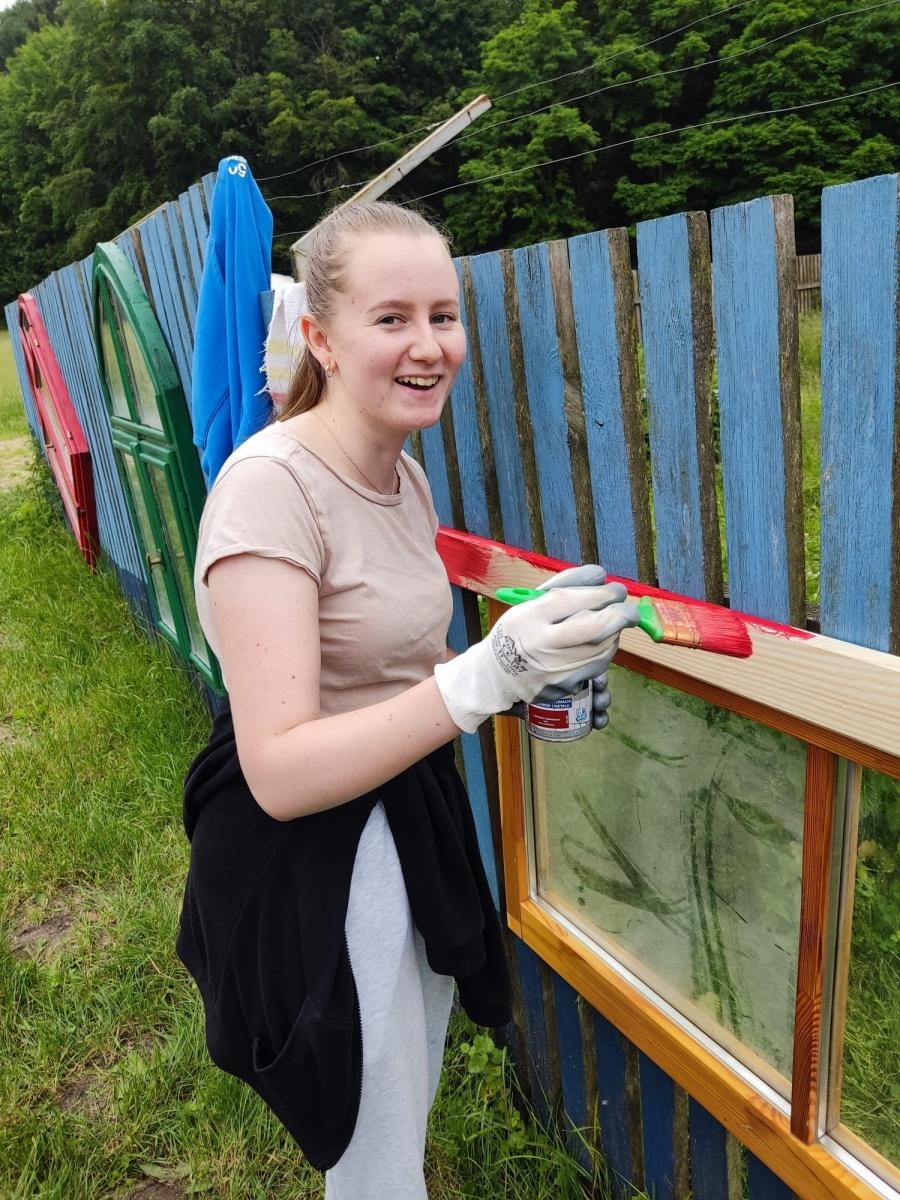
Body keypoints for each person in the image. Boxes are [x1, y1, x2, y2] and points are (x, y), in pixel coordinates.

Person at [176, 200, 634, 1200]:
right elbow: (283, 771)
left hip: (406, 814)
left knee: (402, 1099)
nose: (428, 346)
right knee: (373, 1154)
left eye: (444, 314)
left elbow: (393, 668)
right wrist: (488, 674)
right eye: (391, 318)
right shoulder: (269, 492)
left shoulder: (406, 476)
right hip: (313, 858)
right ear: (320, 338)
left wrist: (529, 665)